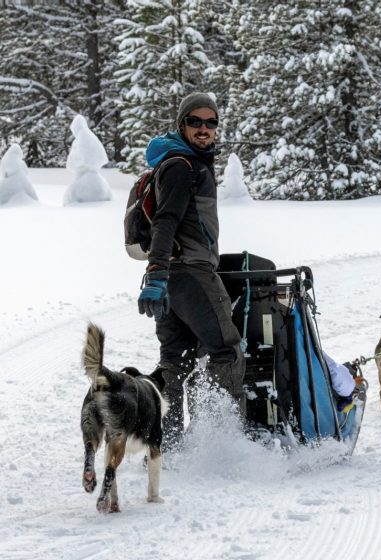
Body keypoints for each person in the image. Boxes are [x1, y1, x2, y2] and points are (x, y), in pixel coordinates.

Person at [138, 92, 245, 452]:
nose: (204, 129)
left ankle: (165, 446)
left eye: (211, 122)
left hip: (173, 277)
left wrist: (159, 276)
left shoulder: (178, 162)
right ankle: (225, 443)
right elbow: (166, 220)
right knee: (226, 351)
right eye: (195, 121)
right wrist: (156, 273)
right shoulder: (183, 166)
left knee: (175, 360)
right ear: (181, 124)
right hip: (190, 274)